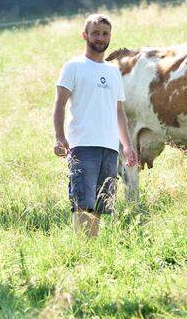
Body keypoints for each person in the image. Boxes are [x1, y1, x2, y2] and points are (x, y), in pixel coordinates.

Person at [53, 14, 138, 237]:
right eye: (96, 33)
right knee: (82, 201)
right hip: (82, 145)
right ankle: (83, 248)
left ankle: (92, 249)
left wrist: (127, 146)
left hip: (109, 147)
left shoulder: (112, 71)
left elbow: (118, 112)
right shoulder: (74, 67)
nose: (101, 38)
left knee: (100, 205)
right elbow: (60, 104)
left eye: (105, 33)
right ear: (85, 35)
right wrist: (59, 136)